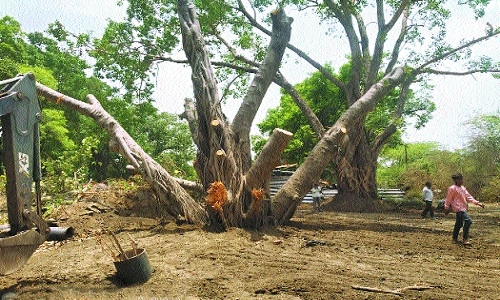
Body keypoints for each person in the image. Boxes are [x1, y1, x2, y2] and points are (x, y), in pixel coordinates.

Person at [444, 173, 485, 245]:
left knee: (458, 224)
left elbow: (468, 196)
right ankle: (465, 239)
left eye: (462, 179)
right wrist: (446, 207)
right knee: (468, 221)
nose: (462, 180)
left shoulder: (463, 188)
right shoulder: (452, 188)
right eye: (460, 179)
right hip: (458, 208)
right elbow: (449, 198)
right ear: (456, 180)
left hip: (463, 208)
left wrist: (478, 203)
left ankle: (454, 238)